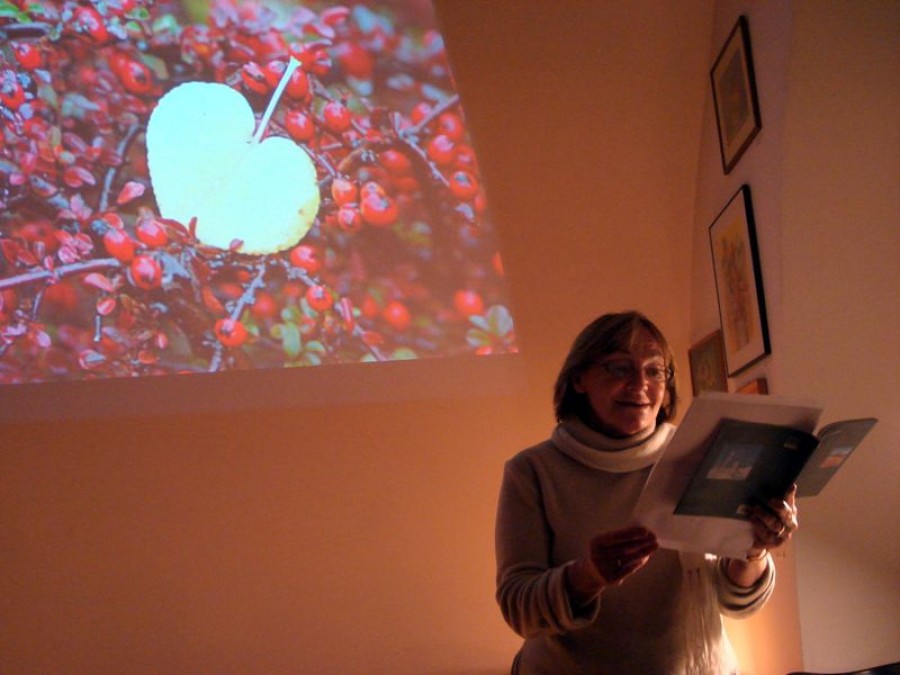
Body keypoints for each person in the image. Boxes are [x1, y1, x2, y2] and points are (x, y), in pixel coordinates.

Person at [494, 311, 798, 674]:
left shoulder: (699, 452)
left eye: (655, 370)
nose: (640, 383)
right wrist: (589, 574)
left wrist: (755, 548)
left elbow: (733, 598)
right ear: (578, 378)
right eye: (619, 368)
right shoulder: (531, 471)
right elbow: (519, 610)